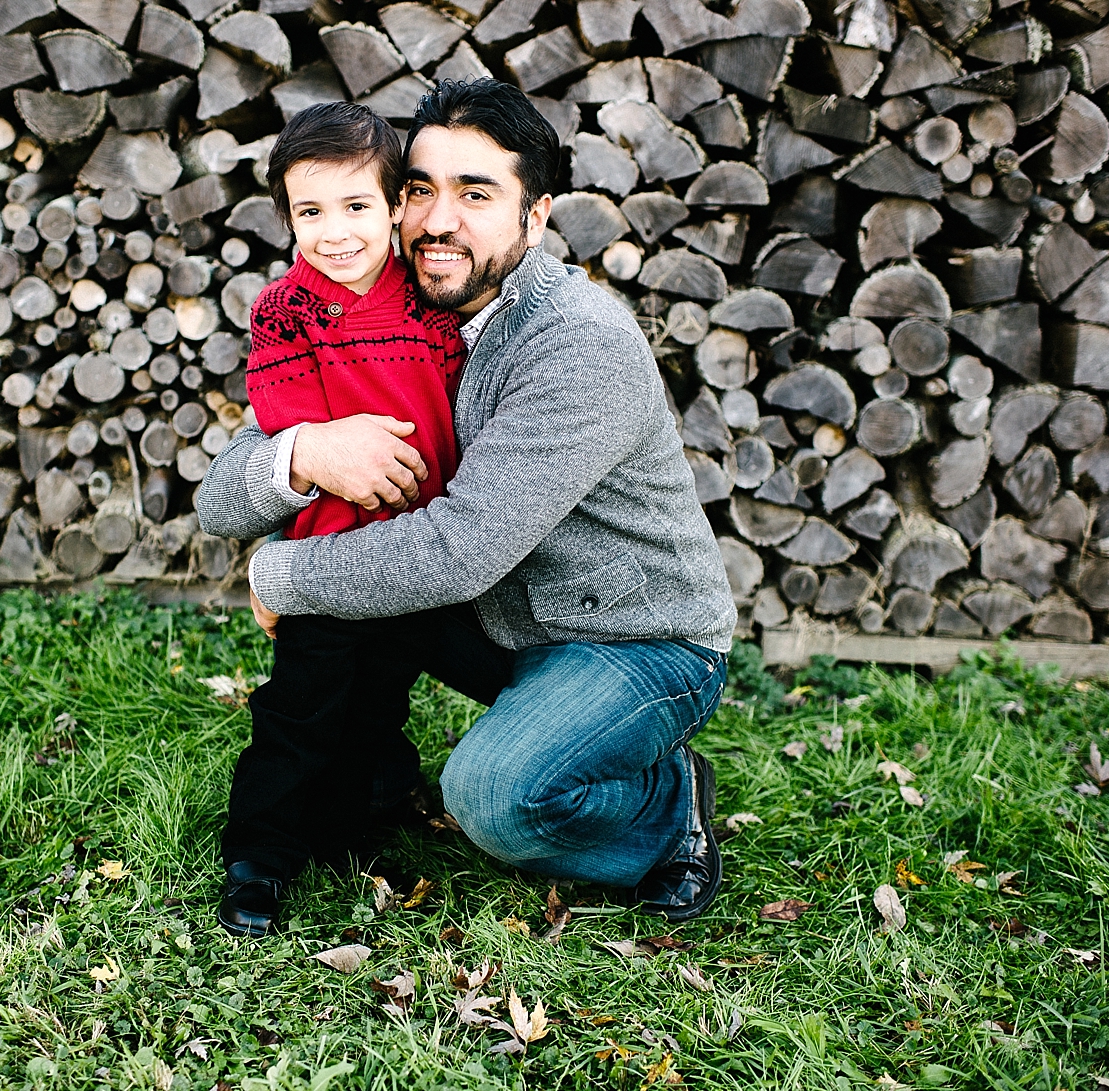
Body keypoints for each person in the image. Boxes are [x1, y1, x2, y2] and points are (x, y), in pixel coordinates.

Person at [198, 79, 737, 937]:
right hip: (501, 616)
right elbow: (219, 495)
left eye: (475, 194)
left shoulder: (576, 343)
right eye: (420, 190)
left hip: (635, 638)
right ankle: (345, 804)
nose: (436, 221)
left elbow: (454, 552)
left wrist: (281, 570)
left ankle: (671, 805)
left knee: (495, 797)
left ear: (538, 214)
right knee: (339, 646)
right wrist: (306, 453)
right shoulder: (391, 306)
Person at [215, 101, 469, 937]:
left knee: (378, 698)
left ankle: (350, 826)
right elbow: (294, 425)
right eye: (310, 212)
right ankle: (261, 852)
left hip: (420, 550)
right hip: (328, 552)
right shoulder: (286, 310)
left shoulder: (433, 308)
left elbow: (460, 408)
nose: (335, 232)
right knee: (303, 705)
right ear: (287, 217)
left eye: (356, 207)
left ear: (396, 206)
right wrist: (336, 448)